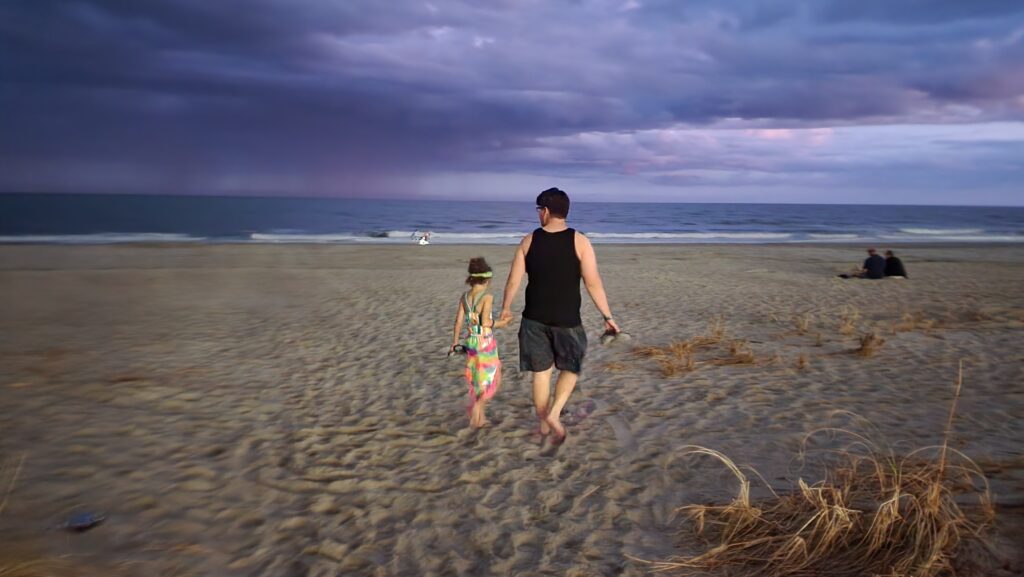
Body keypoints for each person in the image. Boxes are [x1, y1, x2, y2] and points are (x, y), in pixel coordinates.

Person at [499, 187, 620, 445]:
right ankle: (555, 413)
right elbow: (593, 283)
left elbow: (513, 281)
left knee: (541, 373)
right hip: (568, 319)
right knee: (571, 366)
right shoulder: (580, 241)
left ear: (544, 211)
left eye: (538, 211)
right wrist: (607, 316)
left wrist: (505, 308)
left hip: (534, 318)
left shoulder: (528, 241)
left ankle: (543, 423)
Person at [449, 257, 508, 428]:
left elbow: (458, 321)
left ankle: (480, 418)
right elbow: (486, 322)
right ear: (487, 279)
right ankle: (478, 408)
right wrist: (502, 324)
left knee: (477, 378)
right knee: (492, 376)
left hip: (471, 342)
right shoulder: (486, 297)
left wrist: (454, 342)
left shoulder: (465, 297)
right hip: (485, 342)